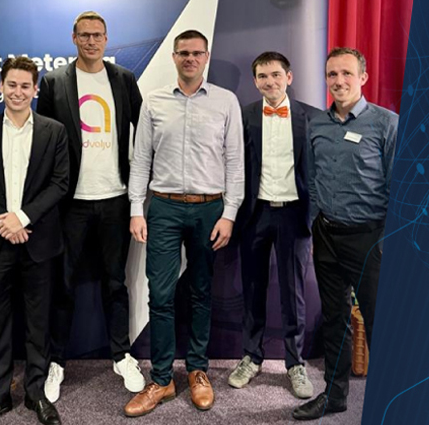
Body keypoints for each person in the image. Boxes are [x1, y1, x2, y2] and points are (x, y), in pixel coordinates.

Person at [124, 30, 244, 417]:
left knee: (201, 292)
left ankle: (197, 370)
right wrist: (136, 208)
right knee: (160, 295)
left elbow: (235, 161)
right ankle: (161, 378)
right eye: (183, 53)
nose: (190, 58)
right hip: (163, 208)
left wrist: (229, 213)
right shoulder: (154, 101)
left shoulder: (225, 102)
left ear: (206, 57)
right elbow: (141, 158)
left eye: (197, 53)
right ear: (174, 57)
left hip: (210, 209)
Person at [36, 10, 145, 402]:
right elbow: (44, 140)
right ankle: (56, 361)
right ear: (74, 38)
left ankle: (122, 355)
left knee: (115, 282)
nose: (91, 41)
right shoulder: (54, 81)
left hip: (115, 198)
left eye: (97, 35)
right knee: (62, 284)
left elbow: (143, 132)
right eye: (84, 35)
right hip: (71, 203)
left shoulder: (124, 79)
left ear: (106, 38)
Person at [292, 47, 398, 420]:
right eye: (332, 74)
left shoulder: (386, 123)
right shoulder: (317, 125)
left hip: (370, 240)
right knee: (335, 321)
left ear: (363, 77)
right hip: (327, 236)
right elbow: (313, 179)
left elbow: (400, 187)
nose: (338, 81)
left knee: (379, 321)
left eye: (346, 73)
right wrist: (315, 223)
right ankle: (334, 396)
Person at [0, 57, 68, 425]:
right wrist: (4, 222)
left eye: (25, 86)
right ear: (1, 87)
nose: (18, 92)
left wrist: (21, 218)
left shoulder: (54, 131)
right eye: (12, 85)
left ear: (35, 89)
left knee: (38, 322)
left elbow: (60, 183)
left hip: (38, 241)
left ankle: (35, 393)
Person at [228, 51, 318, 398]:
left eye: (276, 75)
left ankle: (295, 363)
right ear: (255, 82)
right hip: (256, 213)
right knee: (252, 288)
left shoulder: (312, 117)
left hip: (295, 214)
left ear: (289, 77)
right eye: (263, 76)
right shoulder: (244, 115)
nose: (270, 82)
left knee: (293, 292)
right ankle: (251, 357)